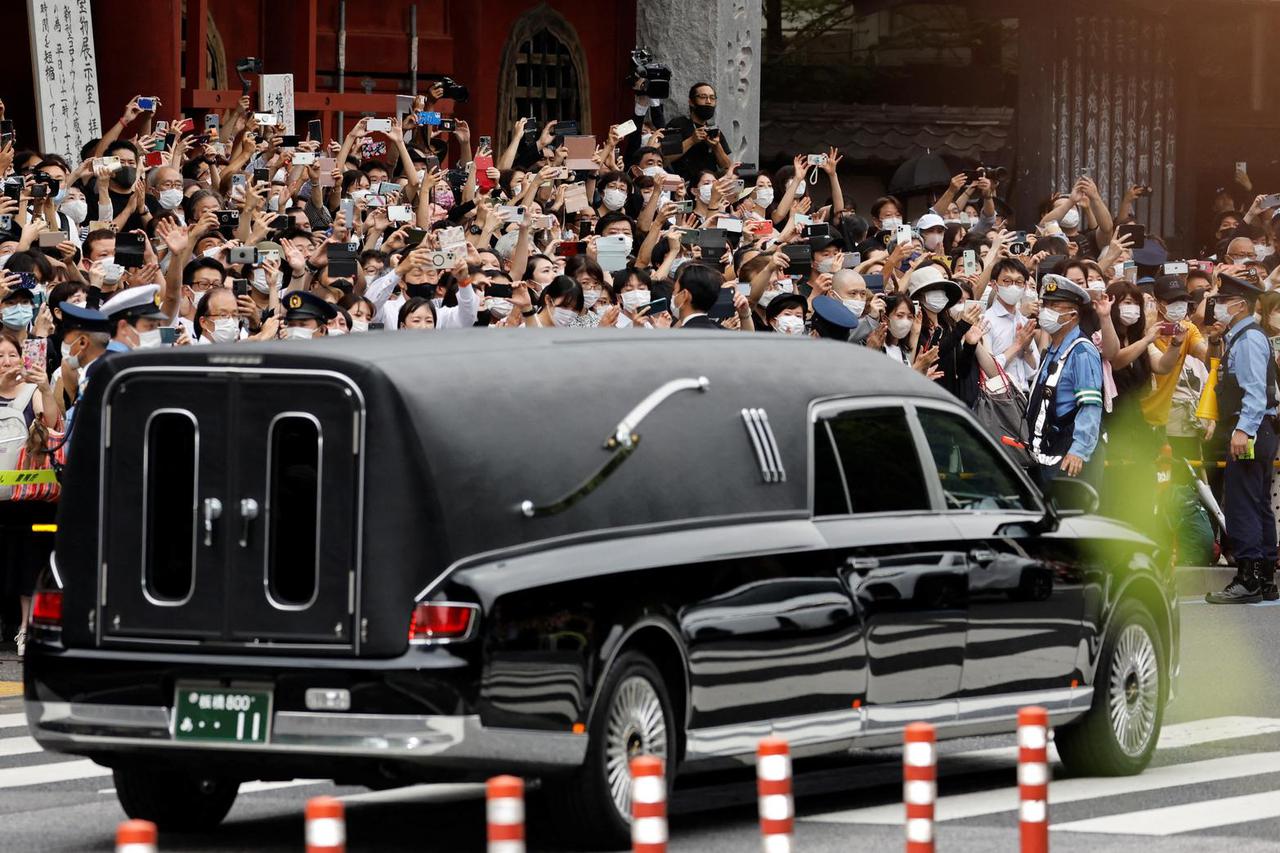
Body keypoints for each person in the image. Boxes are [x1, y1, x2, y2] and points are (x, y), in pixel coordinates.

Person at [1206, 273, 1279, 604]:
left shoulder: (1248, 339)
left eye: (1223, 301)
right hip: (1260, 430)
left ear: (1239, 305)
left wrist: (1242, 430)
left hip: (1250, 429)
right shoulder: (1242, 336)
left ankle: (1248, 577)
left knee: (1242, 504)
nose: (1218, 306)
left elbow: (1254, 393)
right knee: (1258, 503)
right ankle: (1264, 577)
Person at [1024, 275, 1104, 489]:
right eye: (1045, 304)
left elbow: (1091, 405)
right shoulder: (1052, 350)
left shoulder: (1082, 351)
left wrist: (1079, 451)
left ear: (1073, 314)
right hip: (1046, 452)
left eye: (1054, 306)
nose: (1046, 311)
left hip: (1069, 457)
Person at [663, 83, 732, 182]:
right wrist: (692, 140)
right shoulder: (678, 124)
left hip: (709, 186)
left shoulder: (713, 130)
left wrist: (716, 146)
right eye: (703, 97)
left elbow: (727, 167)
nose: (708, 101)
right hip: (682, 185)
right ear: (691, 102)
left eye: (712, 98)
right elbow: (665, 159)